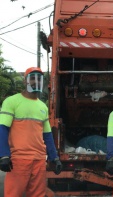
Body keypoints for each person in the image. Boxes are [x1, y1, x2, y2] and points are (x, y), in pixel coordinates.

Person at [0, 67, 62, 197]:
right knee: (12, 194)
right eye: (32, 78)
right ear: (25, 81)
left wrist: (54, 158)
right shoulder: (12, 102)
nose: (36, 81)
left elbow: (47, 136)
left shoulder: (42, 107)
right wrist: (4, 155)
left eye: (39, 78)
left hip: (39, 160)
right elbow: (2, 129)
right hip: (19, 160)